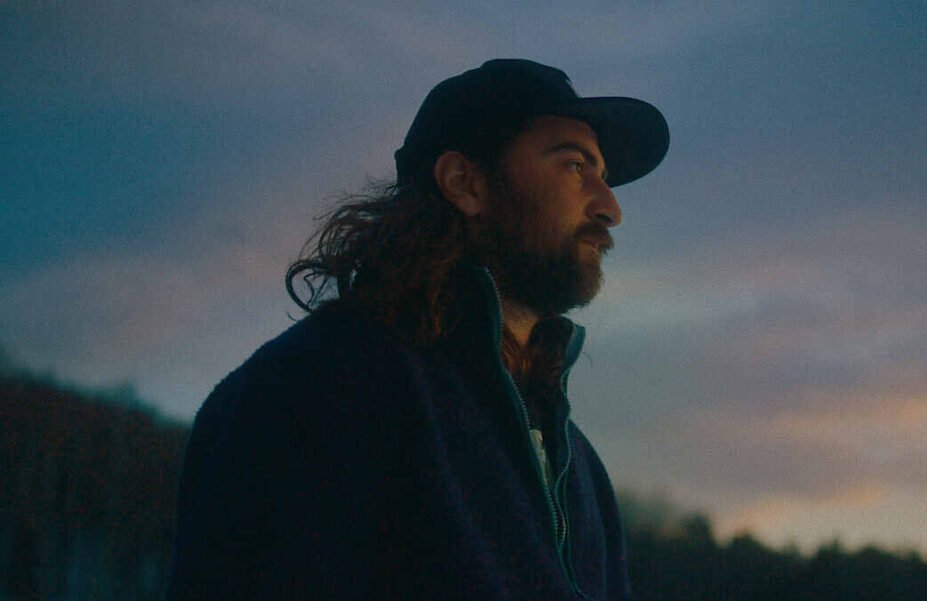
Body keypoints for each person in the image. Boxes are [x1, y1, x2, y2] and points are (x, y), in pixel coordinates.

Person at [167, 58, 669, 600]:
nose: (610, 208)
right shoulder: (318, 385)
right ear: (465, 183)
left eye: (603, 177)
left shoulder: (581, 472)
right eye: (574, 165)